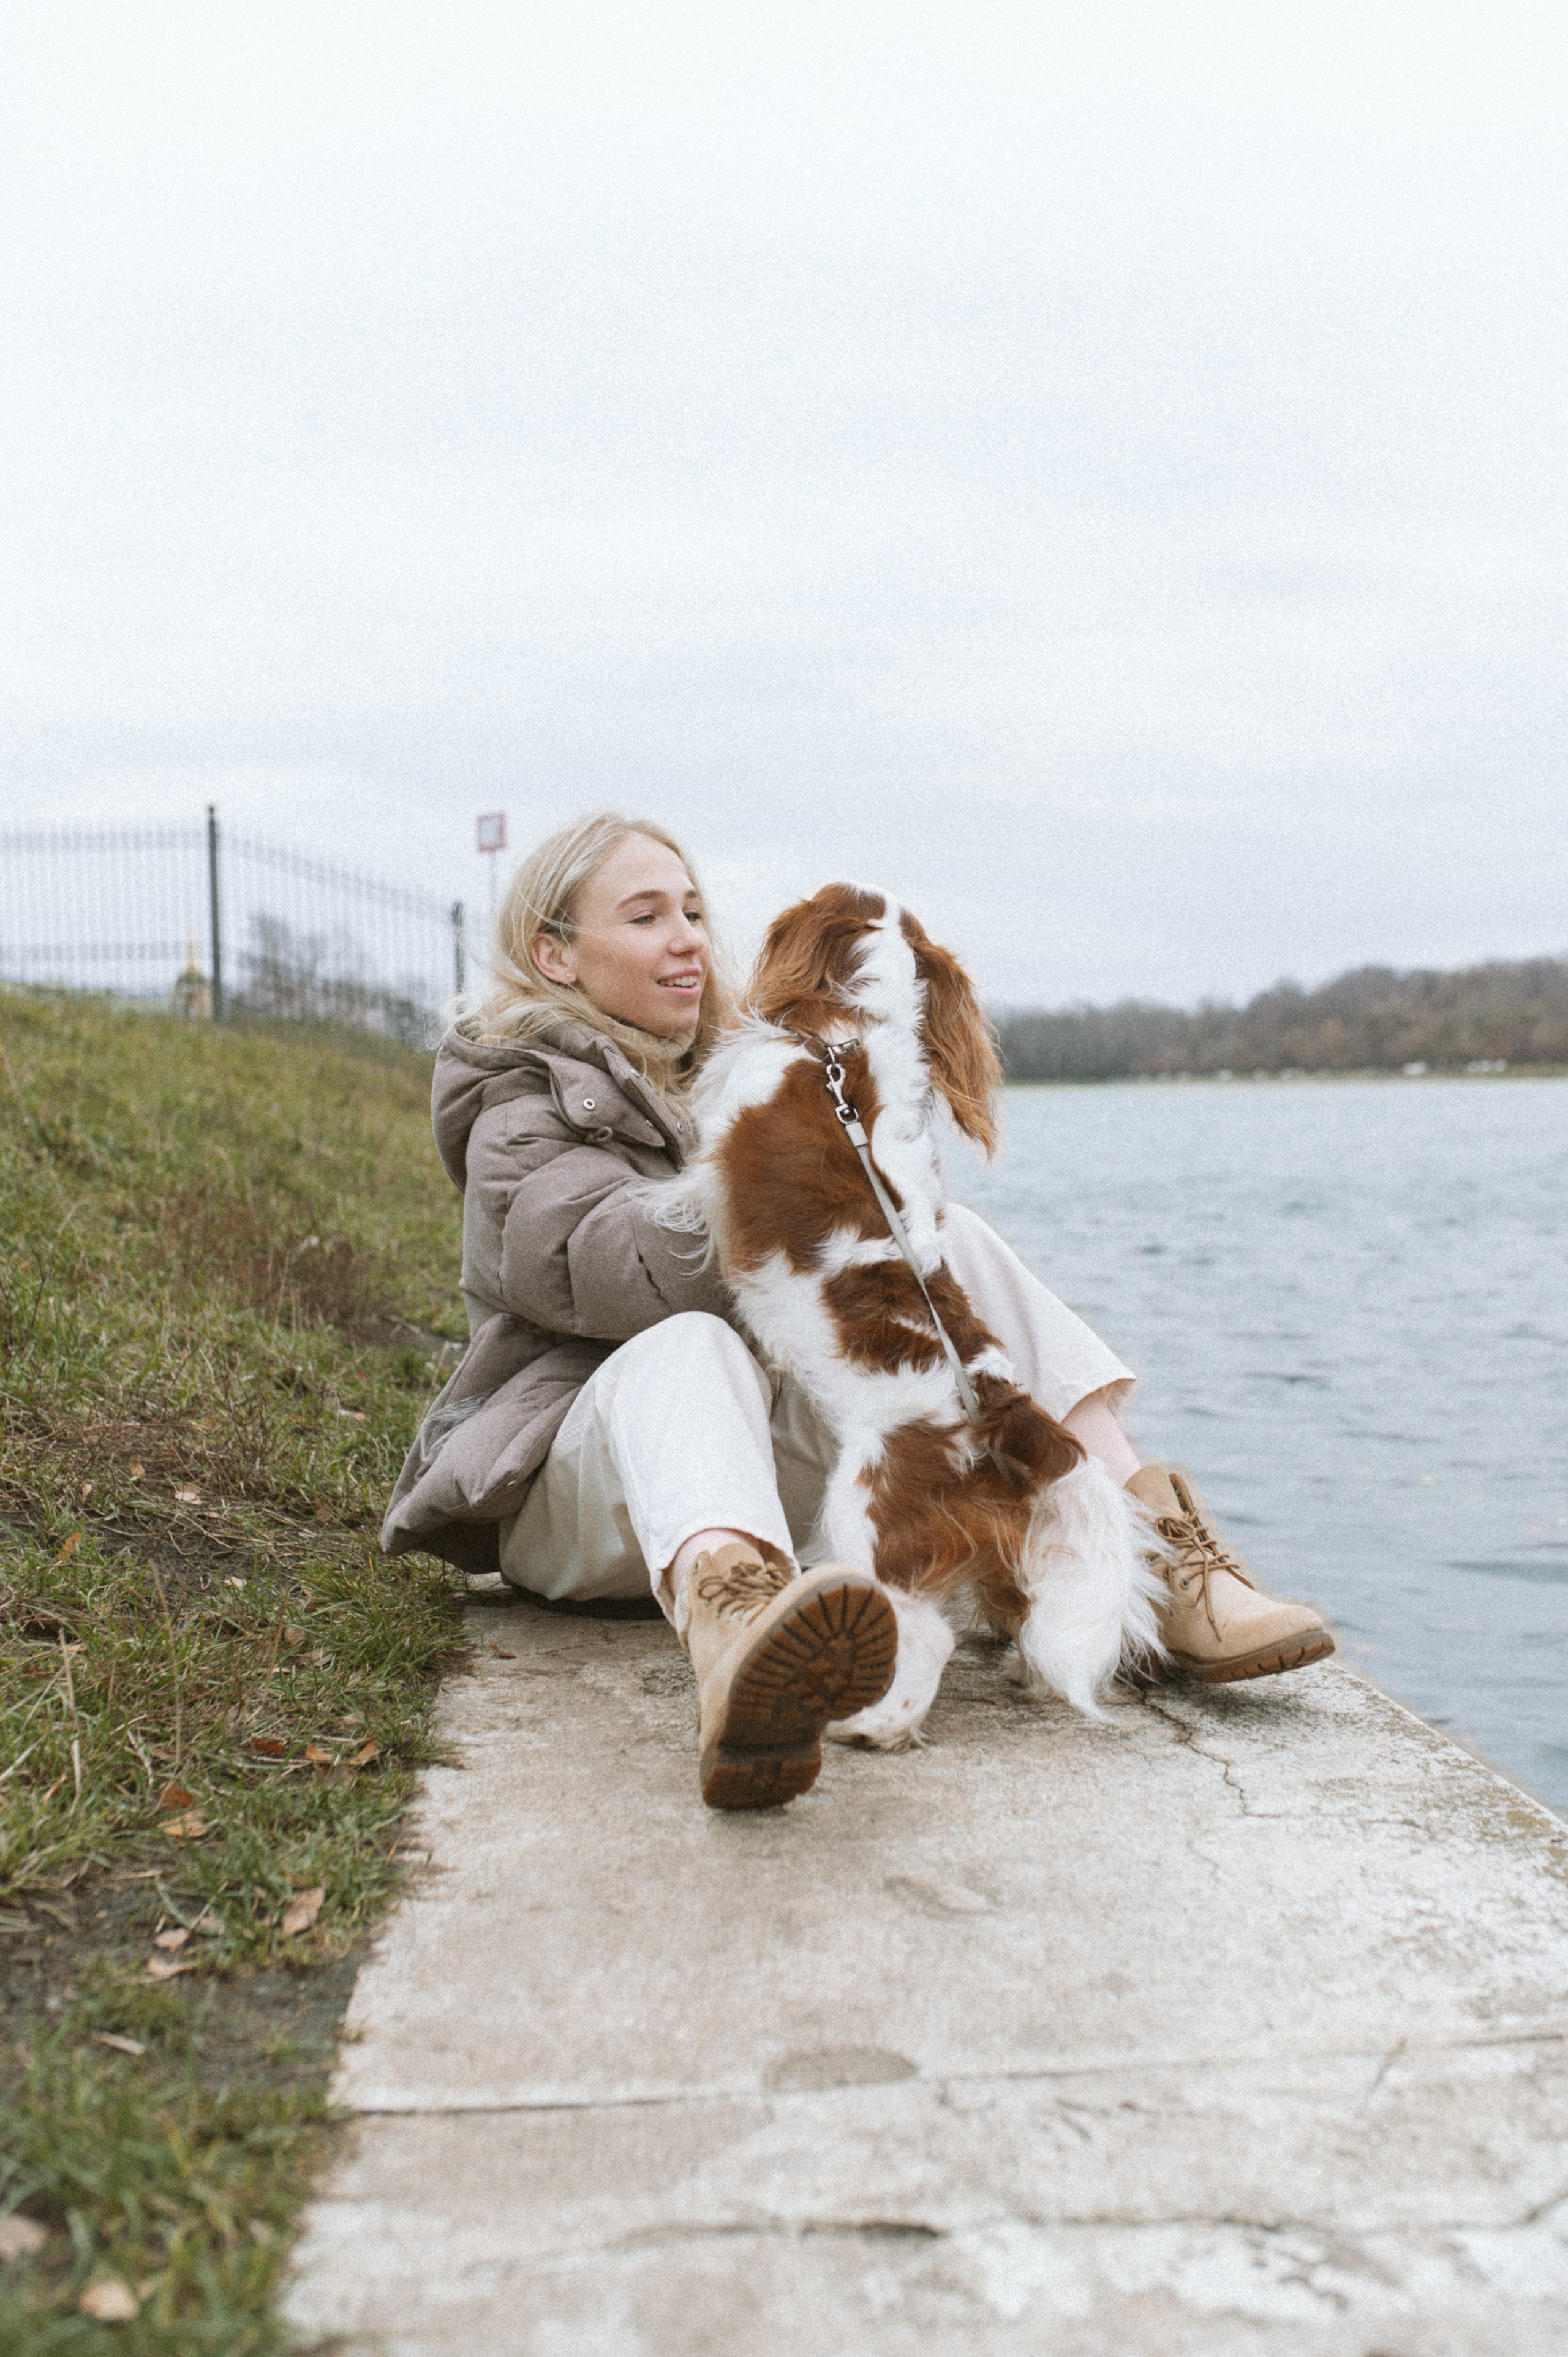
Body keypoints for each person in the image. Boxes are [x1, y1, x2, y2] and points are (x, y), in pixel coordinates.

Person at [383, 812, 1335, 1809]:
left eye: (697, 912)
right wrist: (791, 1178)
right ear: (556, 955)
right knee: (693, 1338)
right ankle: (739, 1638)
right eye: (646, 916)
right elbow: (583, 1265)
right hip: (592, 1501)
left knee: (950, 1241)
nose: (690, 940)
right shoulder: (519, 1101)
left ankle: (1148, 1546)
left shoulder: (739, 1070)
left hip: (761, 1481)